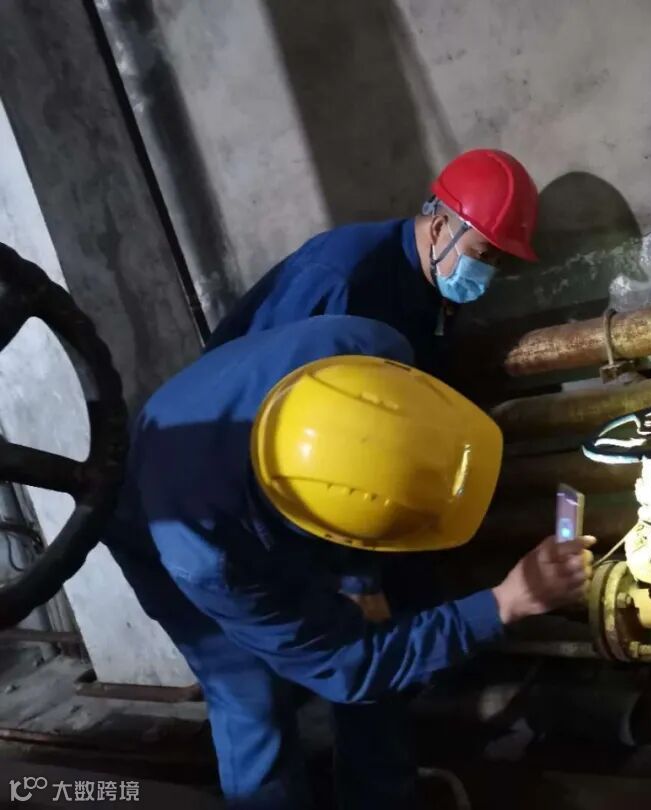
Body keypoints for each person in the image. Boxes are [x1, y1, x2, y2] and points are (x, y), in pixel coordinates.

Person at [104, 315, 591, 809]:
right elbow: (349, 667)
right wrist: (502, 604)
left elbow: (367, 461)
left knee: (375, 623)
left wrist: (361, 577)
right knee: (249, 696)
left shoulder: (364, 351)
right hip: (147, 515)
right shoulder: (210, 561)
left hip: (227, 457)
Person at [204, 149, 539, 372]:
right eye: (482, 254)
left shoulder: (433, 285)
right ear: (439, 228)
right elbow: (265, 377)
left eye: (498, 261)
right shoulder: (343, 276)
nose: (487, 272)